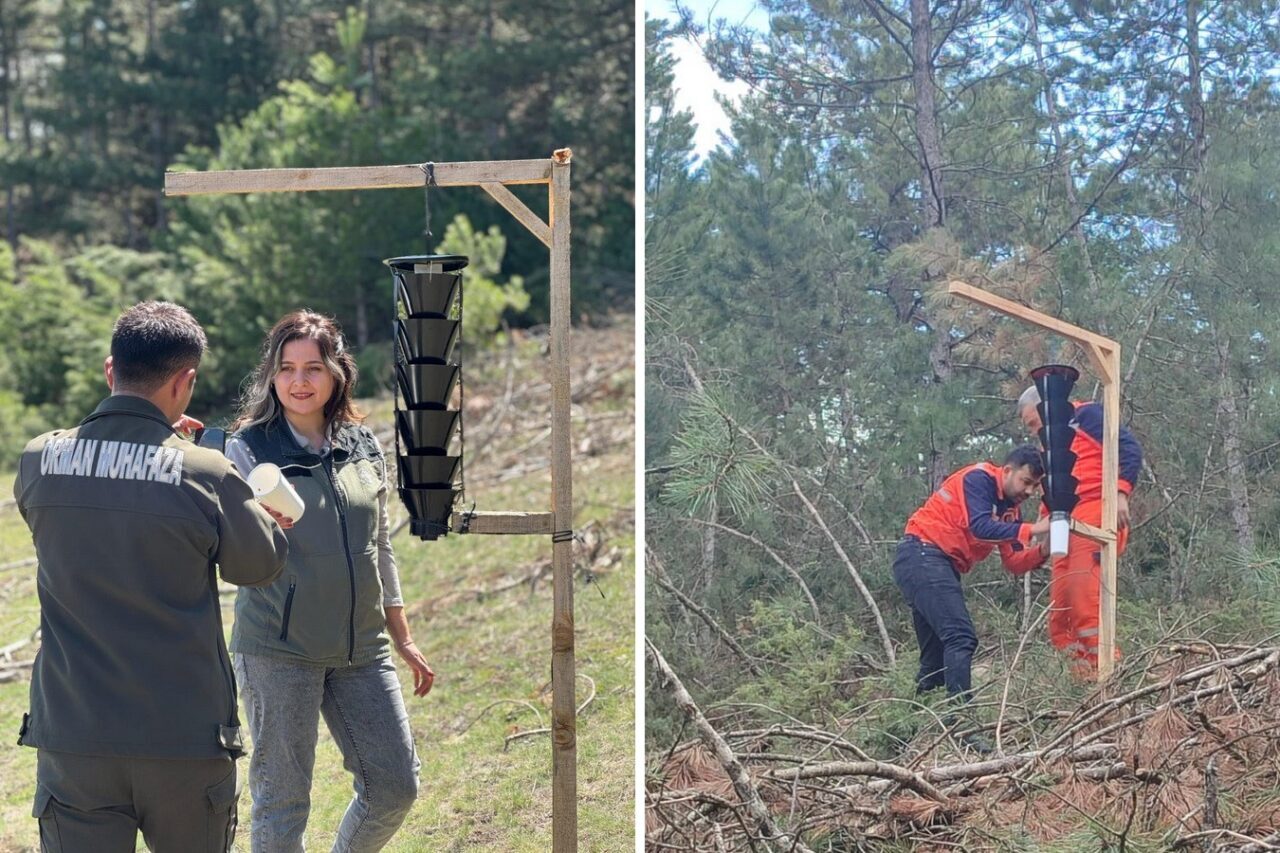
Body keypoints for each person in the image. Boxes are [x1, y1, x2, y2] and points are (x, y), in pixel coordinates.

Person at [13, 301, 290, 852]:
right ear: (185, 381)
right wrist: (265, 515)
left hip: (74, 736)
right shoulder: (206, 472)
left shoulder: (38, 459)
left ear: (110, 369)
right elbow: (258, 566)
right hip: (183, 738)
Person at [225, 310, 435, 852]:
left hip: (362, 648)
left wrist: (403, 635)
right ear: (271, 376)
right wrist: (259, 527)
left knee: (395, 787)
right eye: (287, 368)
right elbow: (232, 551)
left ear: (337, 373)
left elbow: (380, 546)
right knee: (282, 804)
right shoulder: (248, 449)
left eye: (313, 368)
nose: (299, 381)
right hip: (278, 647)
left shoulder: (363, 444)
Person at [893, 446, 1051, 720]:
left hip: (935, 563)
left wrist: (1044, 550)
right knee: (960, 637)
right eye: (1026, 482)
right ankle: (962, 722)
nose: (1029, 491)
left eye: (1035, 486)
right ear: (1007, 471)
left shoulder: (1011, 513)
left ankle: (906, 730)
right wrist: (1035, 529)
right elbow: (980, 526)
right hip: (921, 554)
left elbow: (1014, 562)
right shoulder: (979, 480)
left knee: (934, 661)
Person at [1017, 386, 1143, 674]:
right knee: (1060, 617)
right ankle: (1082, 685)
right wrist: (1042, 527)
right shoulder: (1048, 445)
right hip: (1065, 523)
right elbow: (1055, 486)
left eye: (1033, 422)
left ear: (1045, 406)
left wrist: (1122, 493)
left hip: (1096, 510)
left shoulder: (1086, 416)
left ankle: (1111, 679)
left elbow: (1128, 449)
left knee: (1085, 604)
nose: (1034, 430)